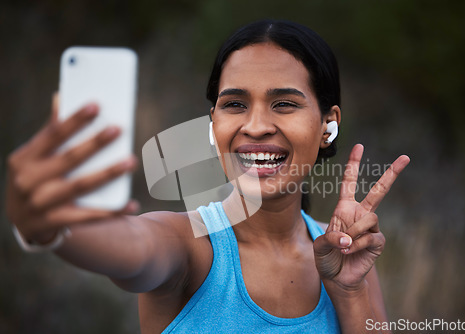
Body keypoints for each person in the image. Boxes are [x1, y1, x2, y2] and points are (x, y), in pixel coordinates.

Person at [6, 19, 410, 333]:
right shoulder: (188, 246)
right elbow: (129, 245)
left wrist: (349, 291)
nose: (255, 126)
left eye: (284, 103)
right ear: (212, 125)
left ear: (327, 125)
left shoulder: (348, 254)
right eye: (234, 104)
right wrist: (47, 225)